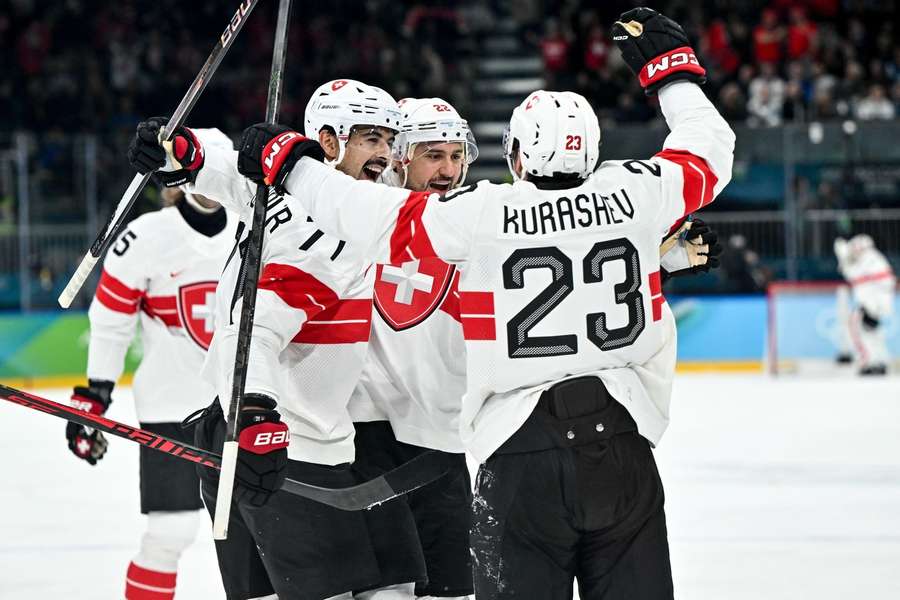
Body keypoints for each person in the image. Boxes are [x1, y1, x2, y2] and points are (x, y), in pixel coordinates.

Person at [235, 7, 735, 599]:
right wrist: (672, 74)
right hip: (624, 440)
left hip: (519, 449)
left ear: (518, 157)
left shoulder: (483, 216)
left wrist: (292, 167)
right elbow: (709, 149)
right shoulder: (639, 193)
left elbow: (373, 217)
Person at [128, 79, 424, 599]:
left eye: (388, 141)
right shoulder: (336, 235)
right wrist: (259, 417)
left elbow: (229, 173)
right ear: (328, 142)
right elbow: (255, 330)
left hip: (248, 431)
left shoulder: (281, 193)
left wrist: (181, 153)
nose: (386, 156)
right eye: (371, 140)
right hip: (287, 444)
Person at [68, 181, 236, 600]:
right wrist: (96, 395)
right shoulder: (145, 236)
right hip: (171, 405)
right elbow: (111, 321)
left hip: (244, 406)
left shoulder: (253, 224)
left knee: (261, 537)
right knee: (170, 531)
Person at [354, 97, 479, 600]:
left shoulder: (473, 225)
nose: (448, 169)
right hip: (370, 441)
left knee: (452, 593)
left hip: (444, 440)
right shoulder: (357, 218)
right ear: (400, 157)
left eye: (455, 155)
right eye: (433, 155)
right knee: (389, 593)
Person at [834, 234, 896, 375]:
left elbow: (883, 283)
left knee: (856, 326)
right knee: (872, 333)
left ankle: (868, 361)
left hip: (871, 305)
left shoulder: (870, 258)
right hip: (871, 304)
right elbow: (855, 277)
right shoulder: (868, 259)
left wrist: (843, 257)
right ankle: (879, 361)